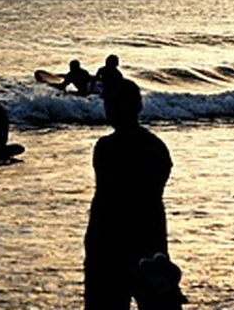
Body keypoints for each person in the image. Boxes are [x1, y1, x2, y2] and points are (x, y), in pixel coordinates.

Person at [84, 79, 176, 309]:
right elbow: (155, 193)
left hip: (108, 241)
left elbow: (106, 197)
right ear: (139, 107)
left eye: (111, 104)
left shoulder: (106, 148)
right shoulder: (156, 146)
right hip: (149, 237)